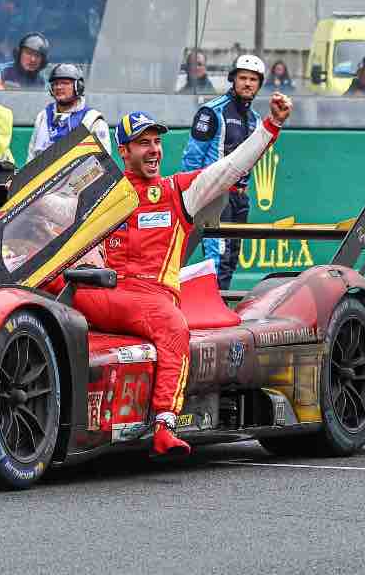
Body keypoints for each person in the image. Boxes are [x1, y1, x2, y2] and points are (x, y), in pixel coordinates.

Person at [57, 96, 293, 457]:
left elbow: (230, 167)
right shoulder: (100, 194)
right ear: (124, 151)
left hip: (151, 302)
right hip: (102, 294)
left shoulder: (177, 191)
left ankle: (165, 424)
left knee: (173, 326)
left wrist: (270, 127)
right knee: (47, 283)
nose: (154, 150)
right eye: (143, 143)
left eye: (157, 142)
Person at [181, 54, 264, 290]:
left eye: (253, 80)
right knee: (217, 258)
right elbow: (192, 159)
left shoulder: (256, 119)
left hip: (240, 198)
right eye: (243, 78)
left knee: (230, 259)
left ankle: (221, 305)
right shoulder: (212, 112)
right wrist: (194, 196)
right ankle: (212, 305)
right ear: (232, 79)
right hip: (215, 197)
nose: (247, 83)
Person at [27, 63, 110, 160]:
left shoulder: (92, 119)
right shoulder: (43, 116)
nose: (59, 87)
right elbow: (31, 158)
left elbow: (103, 160)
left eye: (65, 83)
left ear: (78, 86)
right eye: (55, 84)